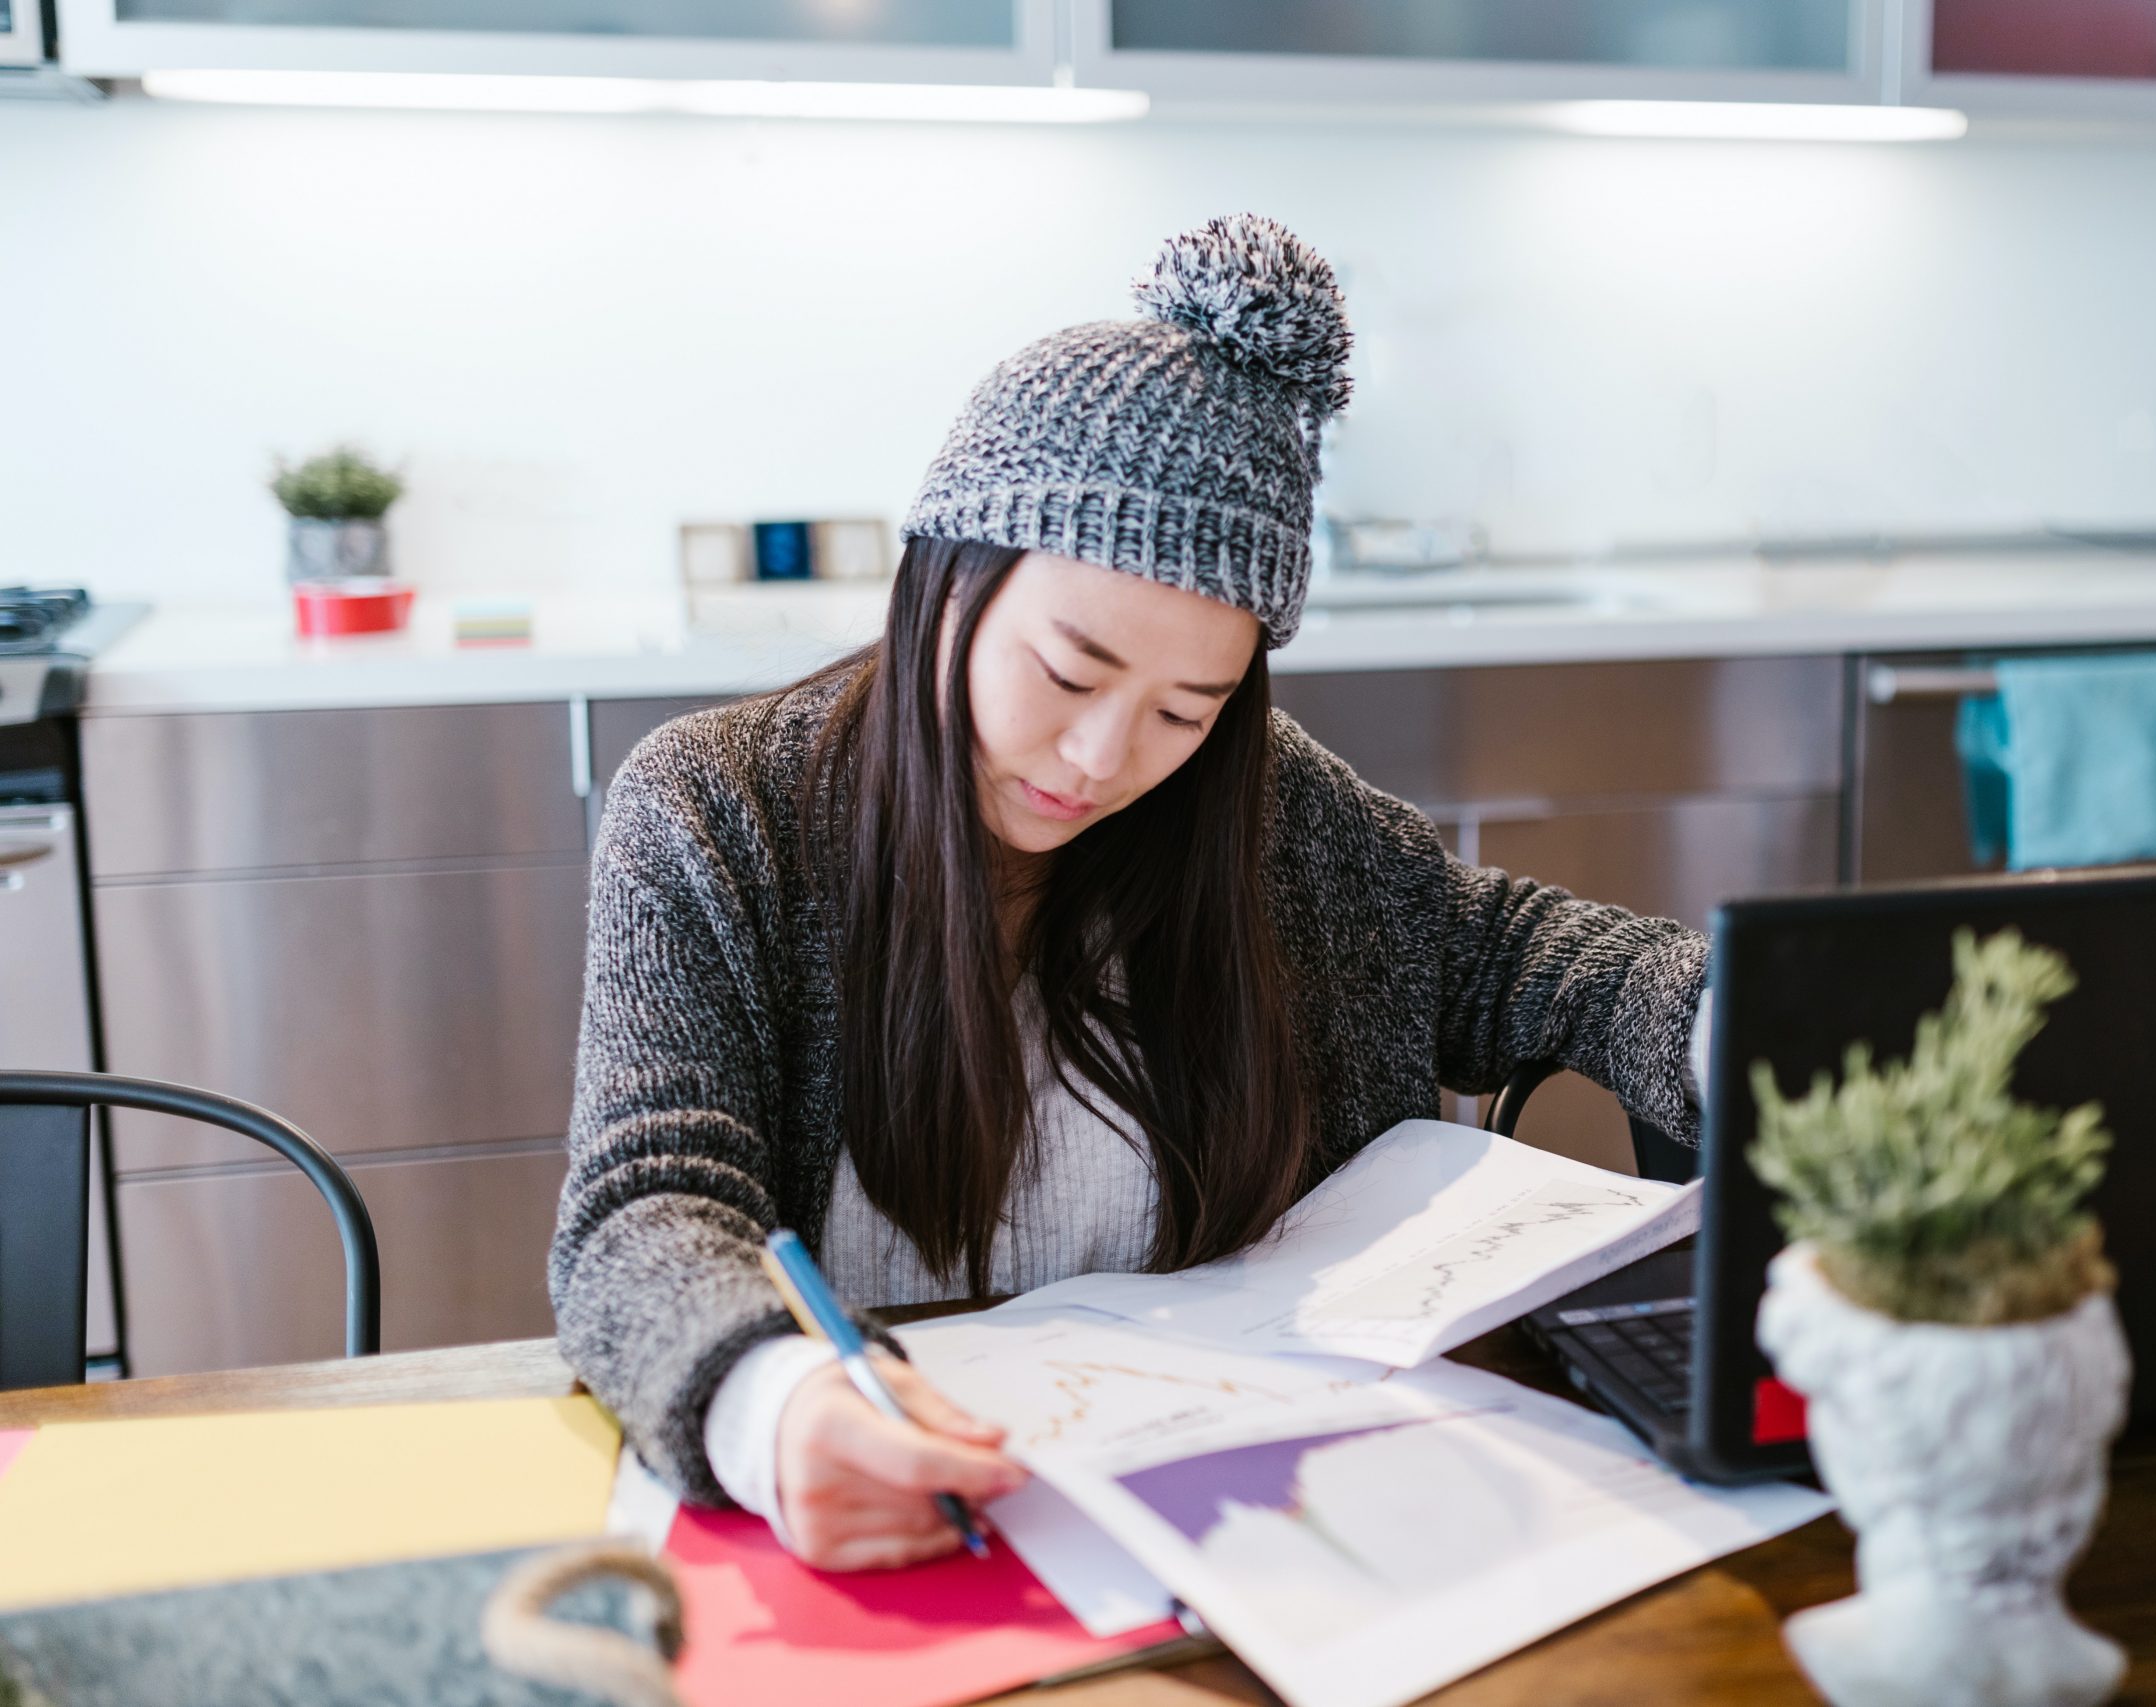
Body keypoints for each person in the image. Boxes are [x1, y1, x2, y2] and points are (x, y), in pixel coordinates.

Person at [550, 214, 1710, 1572]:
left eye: (1185, 708)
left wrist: (1736, 1021)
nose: (1105, 761)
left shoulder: (1260, 811)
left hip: (1244, 1526)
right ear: (949, 587)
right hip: (892, 1526)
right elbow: (641, 1215)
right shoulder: (714, 811)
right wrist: (770, 1402)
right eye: (1069, 671)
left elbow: (1523, 955)